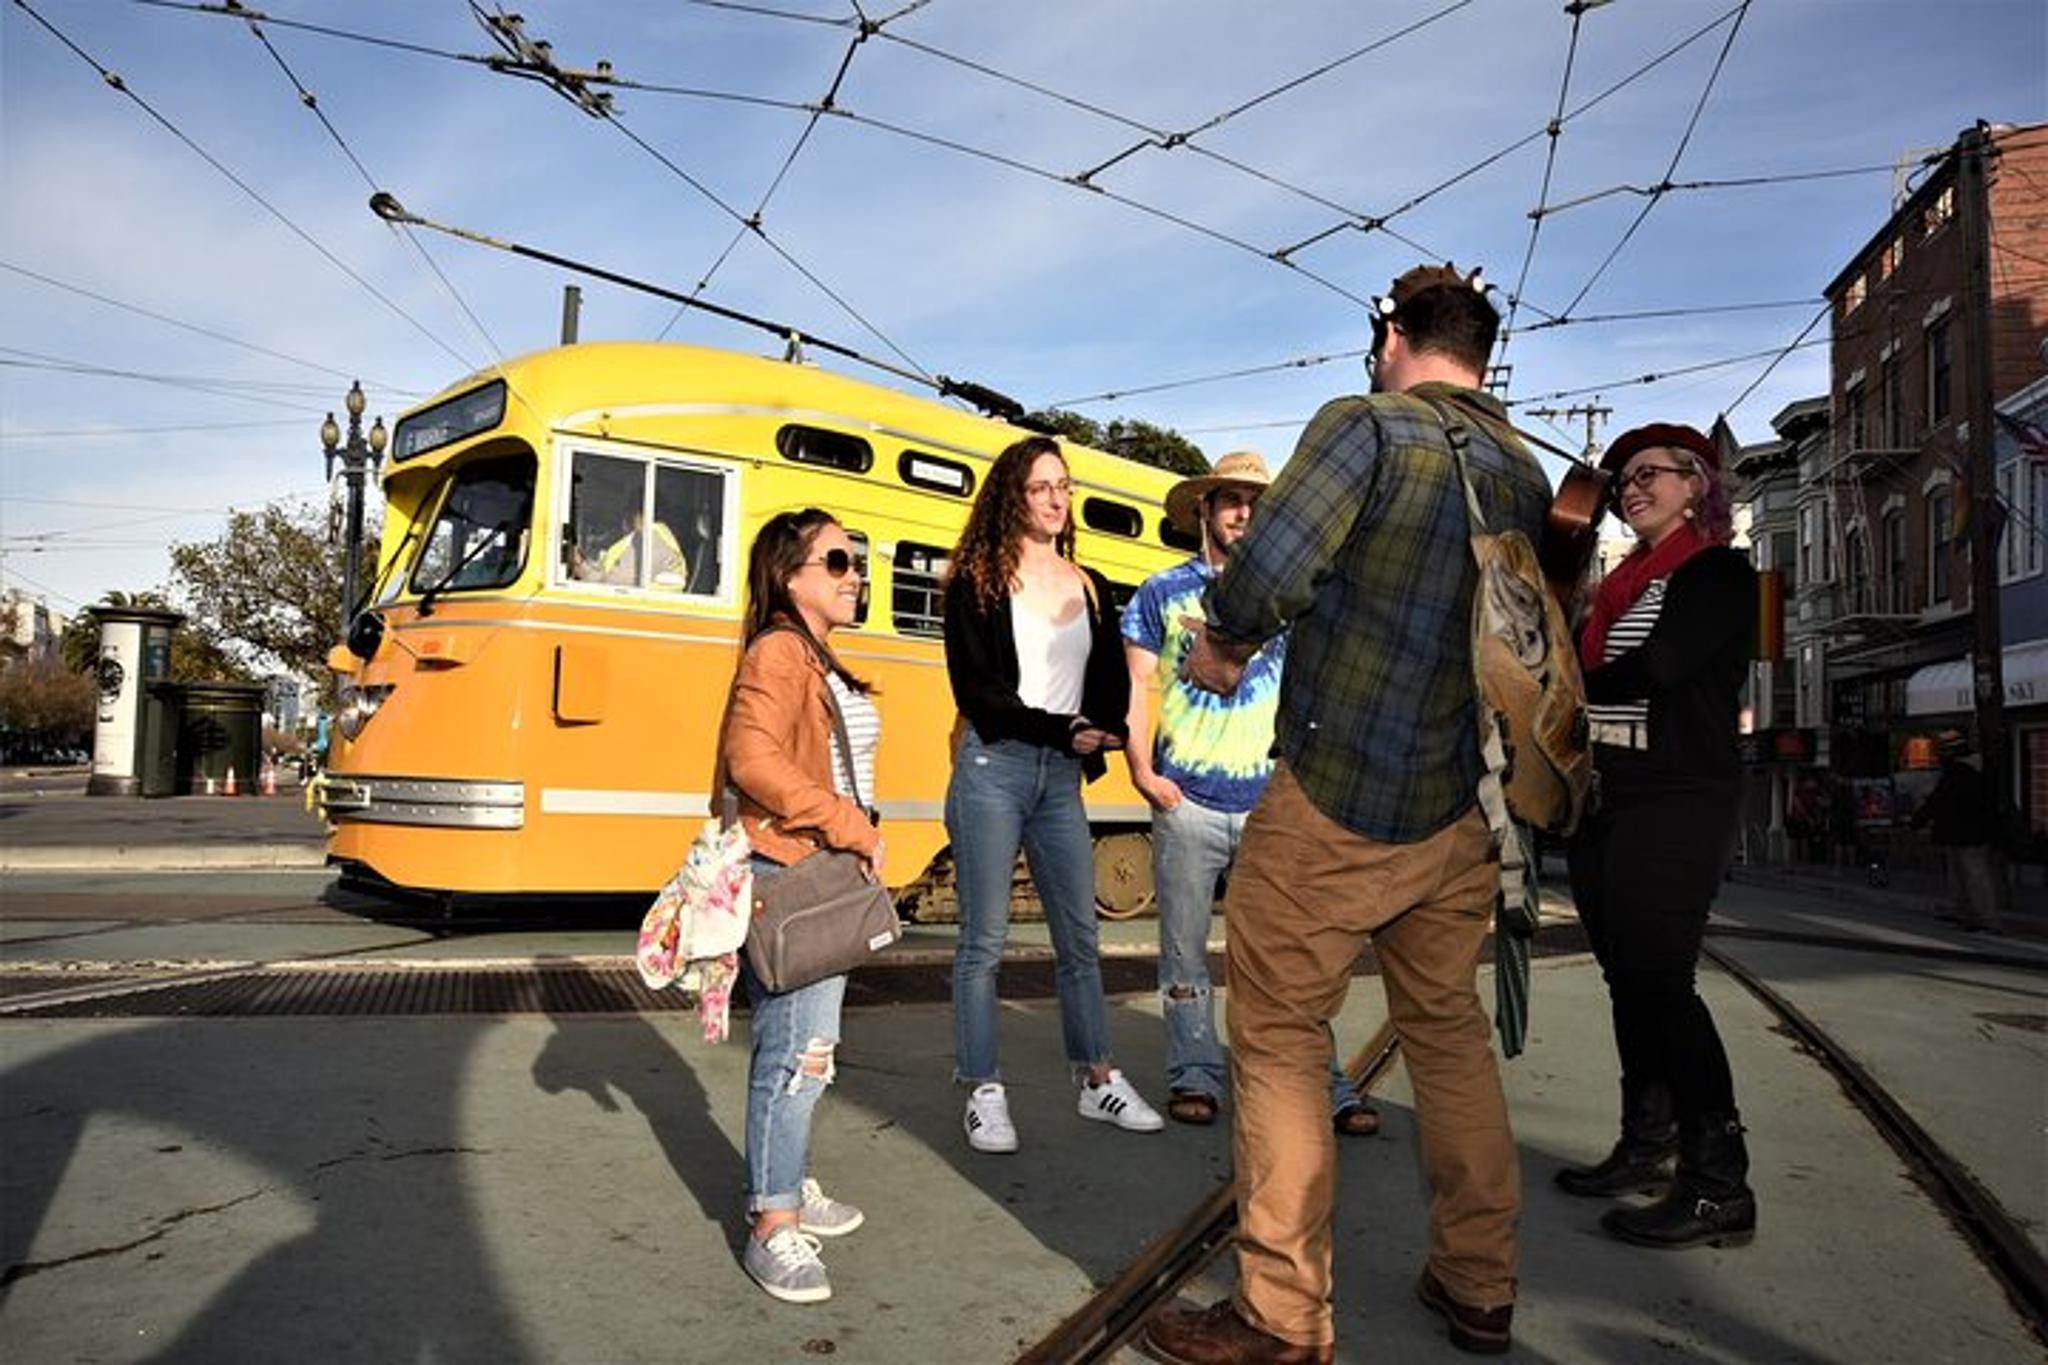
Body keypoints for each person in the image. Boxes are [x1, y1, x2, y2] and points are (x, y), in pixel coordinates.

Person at [1142, 264, 1549, 1363]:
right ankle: (1479, 1282)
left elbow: (1270, 564)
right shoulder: (1521, 467)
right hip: (1460, 808)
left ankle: (1281, 1315)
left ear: (1392, 334)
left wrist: (1222, 644)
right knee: (1446, 1033)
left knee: (1278, 1035)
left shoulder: (1366, 426)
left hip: (1338, 793)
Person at [1121, 450, 1379, 1137]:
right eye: (1231, 499)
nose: (1243, 512)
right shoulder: (1162, 591)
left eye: (1257, 503)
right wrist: (1144, 772)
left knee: (1294, 957)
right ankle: (1195, 1074)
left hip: (1272, 804)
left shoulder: (1292, 599)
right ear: (1204, 509)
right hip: (1188, 802)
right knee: (1184, 955)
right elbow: (1138, 686)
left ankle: (1323, 1080)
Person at [1553, 422, 1760, 1253]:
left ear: (1695, 484)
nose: (1631, 488)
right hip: (1609, 797)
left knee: (1662, 981)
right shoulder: (1616, 585)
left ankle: (1719, 1183)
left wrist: (1567, 685)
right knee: (1628, 981)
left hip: (1679, 796)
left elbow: (1665, 665)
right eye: (1624, 480)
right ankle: (1648, 1143)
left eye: (1650, 474)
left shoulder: (1718, 572)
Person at [943, 434, 1164, 1154]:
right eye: (1040, 486)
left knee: (1079, 939)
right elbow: (976, 691)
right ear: (1012, 495)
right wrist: (1058, 727)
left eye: (1063, 485)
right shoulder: (978, 579)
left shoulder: (1088, 583)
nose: (1055, 498)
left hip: (1061, 777)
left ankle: (1097, 1076)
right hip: (994, 766)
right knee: (983, 942)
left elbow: (1109, 682)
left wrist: (1103, 730)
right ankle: (982, 1088)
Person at [718, 508, 881, 1304]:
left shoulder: (813, 654)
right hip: (793, 869)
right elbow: (749, 758)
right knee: (795, 1051)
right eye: (839, 561)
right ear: (790, 575)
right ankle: (771, 1221)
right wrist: (848, 823)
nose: (857, 575)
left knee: (813, 1048)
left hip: (820, 868)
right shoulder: (780, 650)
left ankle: (787, 1177)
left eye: (857, 561)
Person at [1910, 733, 2007, 932]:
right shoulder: (1981, 769)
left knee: (1971, 874)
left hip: (1964, 831)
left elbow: (1938, 801)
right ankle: (1971, 914)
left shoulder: (1957, 772)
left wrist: (1916, 822)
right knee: (1968, 874)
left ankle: (1982, 917)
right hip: (1976, 830)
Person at [575, 507, 688, 588]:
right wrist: (583, 564)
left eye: (630, 513)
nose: (626, 520)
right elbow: (611, 570)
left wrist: (582, 569)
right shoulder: (658, 539)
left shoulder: (649, 542)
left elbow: (616, 584)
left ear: (643, 514)